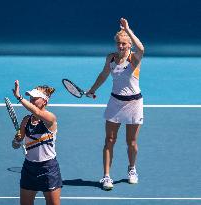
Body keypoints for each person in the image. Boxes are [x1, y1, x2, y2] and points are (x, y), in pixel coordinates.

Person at [87, 18, 145, 190]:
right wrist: (92, 89)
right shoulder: (110, 58)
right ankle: (106, 176)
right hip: (115, 102)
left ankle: (132, 169)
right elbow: (104, 74)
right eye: (119, 43)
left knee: (131, 142)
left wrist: (128, 30)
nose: (121, 46)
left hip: (134, 103)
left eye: (124, 44)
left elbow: (142, 48)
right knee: (109, 140)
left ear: (129, 45)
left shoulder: (134, 58)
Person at [12, 80, 62, 205]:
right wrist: (17, 140)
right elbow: (15, 145)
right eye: (30, 97)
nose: (31, 100)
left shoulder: (50, 119)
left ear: (45, 101)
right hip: (29, 168)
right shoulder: (26, 120)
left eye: (35, 98)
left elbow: (38, 112)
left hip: (48, 169)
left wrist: (19, 97)